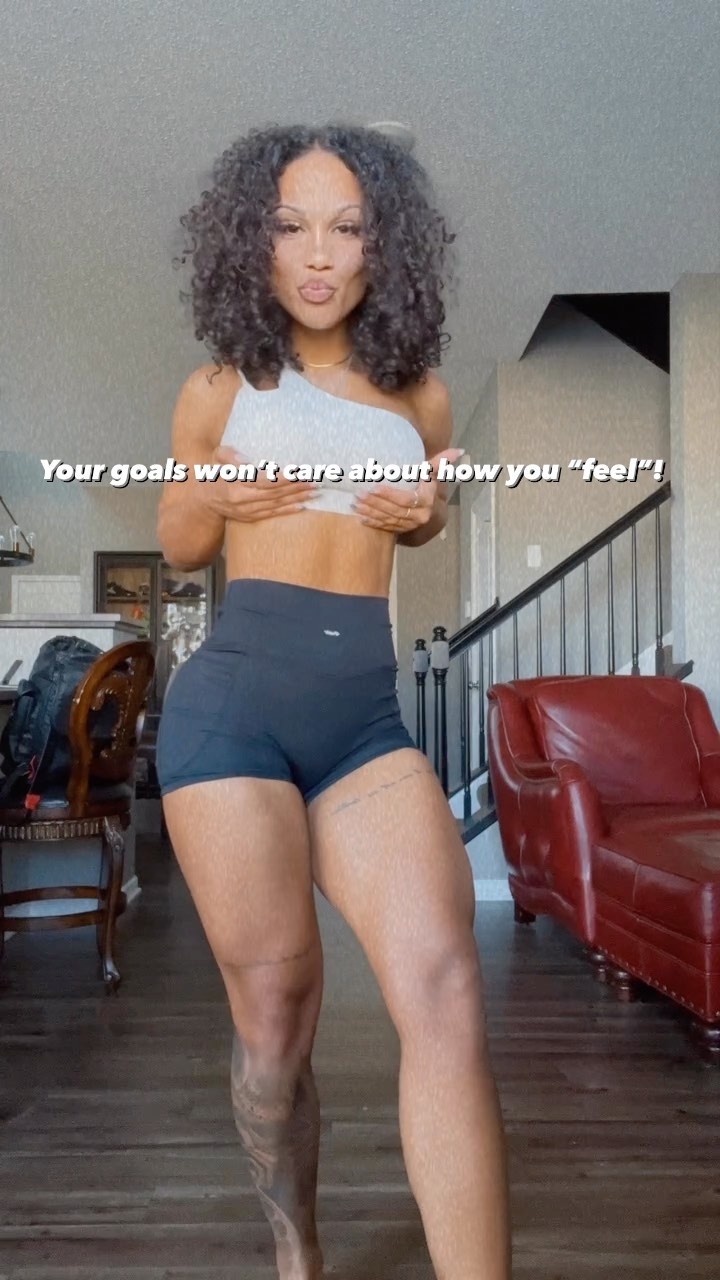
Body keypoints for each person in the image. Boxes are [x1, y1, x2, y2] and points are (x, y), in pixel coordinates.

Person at [156, 123, 512, 1280]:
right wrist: (218, 492)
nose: (318, 254)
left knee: (445, 985)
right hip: (233, 717)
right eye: (290, 225)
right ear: (251, 243)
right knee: (276, 1021)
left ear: (382, 244)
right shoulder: (219, 387)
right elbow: (177, 544)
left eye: (347, 227)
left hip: (363, 721)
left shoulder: (424, 398)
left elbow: (426, 513)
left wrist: (431, 511)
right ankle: (296, 1240)